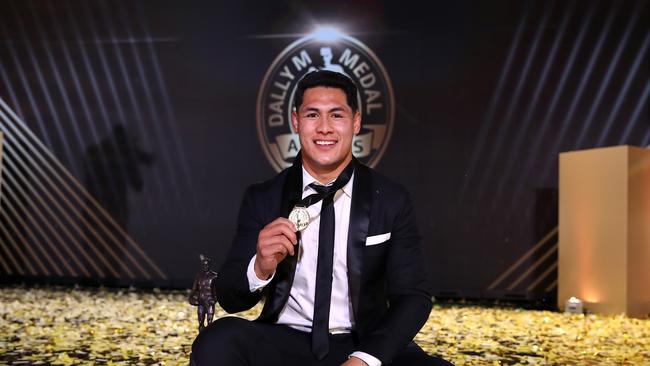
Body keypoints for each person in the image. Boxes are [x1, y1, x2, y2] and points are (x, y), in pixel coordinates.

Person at [191, 70, 452, 366]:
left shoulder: (391, 198)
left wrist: (365, 359)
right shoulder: (263, 197)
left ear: (355, 121)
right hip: (286, 340)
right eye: (313, 115)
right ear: (296, 121)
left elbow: (413, 297)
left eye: (336, 115)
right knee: (217, 341)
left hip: (364, 341)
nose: (324, 128)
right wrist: (260, 268)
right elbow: (230, 297)